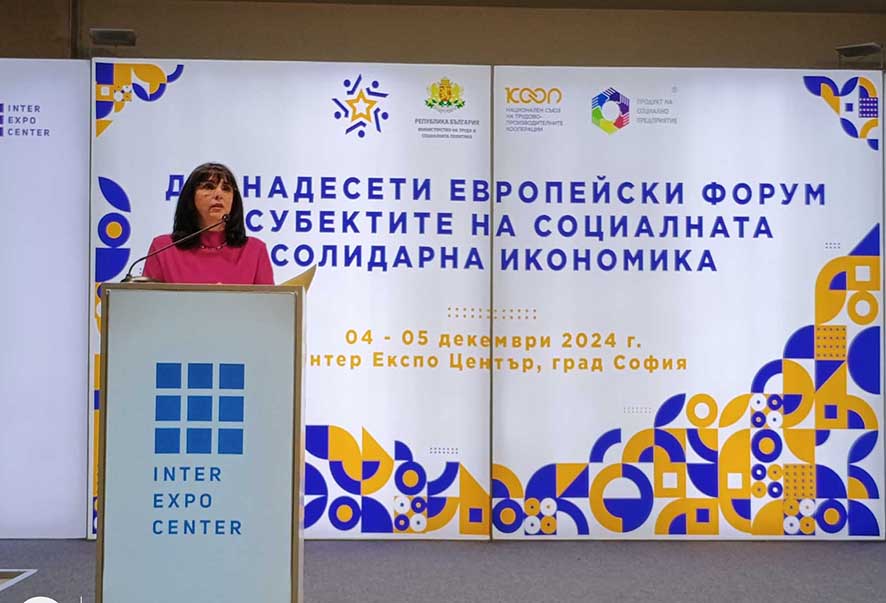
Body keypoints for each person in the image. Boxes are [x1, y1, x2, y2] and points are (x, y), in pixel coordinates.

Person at [142, 162, 274, 284]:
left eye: (226, 188)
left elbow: (267, 302)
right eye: (209, 187)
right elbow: (149, 300)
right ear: (191, 196)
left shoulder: (255, 251)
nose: (218, 194)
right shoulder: (163, 248)